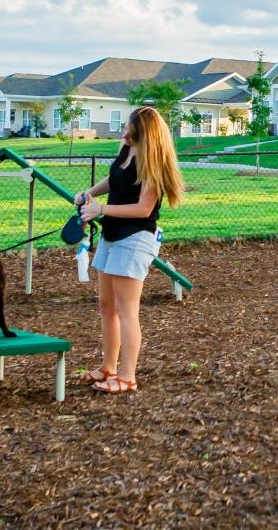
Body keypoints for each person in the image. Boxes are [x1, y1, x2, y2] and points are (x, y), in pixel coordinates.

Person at [73, 106, 182, 394]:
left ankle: (127, 376)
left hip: (135, 239)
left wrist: (101, 209)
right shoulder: (127, 149)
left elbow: (143, 208)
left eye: (129, 132)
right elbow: (114, 179)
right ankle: (109, 367)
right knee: (106, 307)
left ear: (145, 135)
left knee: (126, 311)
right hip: (112, 234)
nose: (124, 135)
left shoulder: (153, 163)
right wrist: (90, 194)